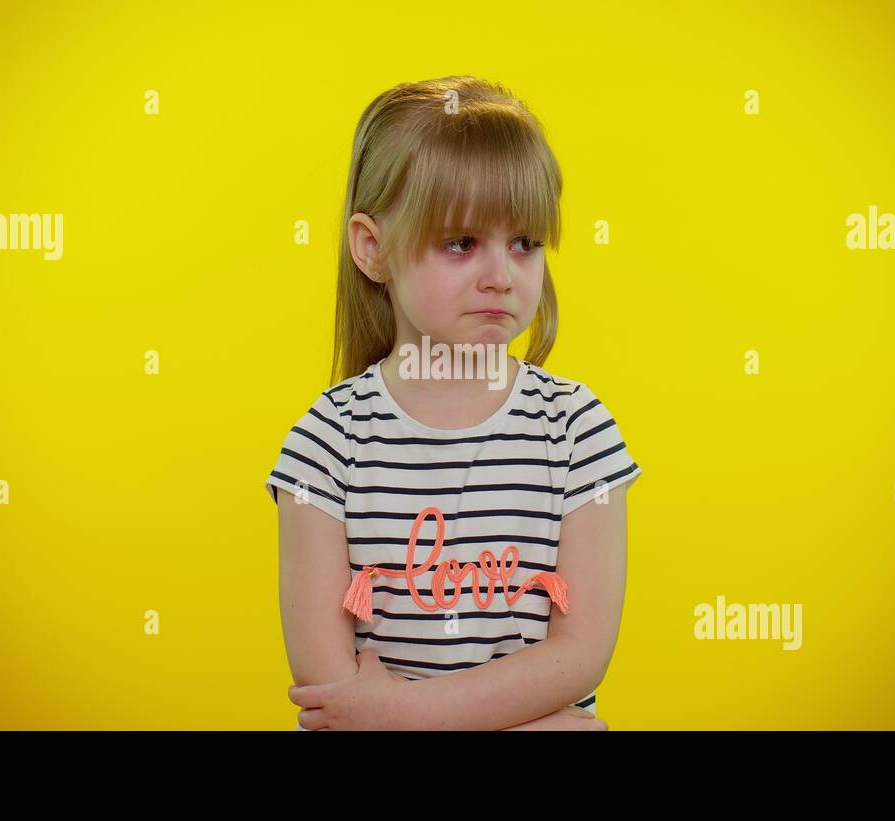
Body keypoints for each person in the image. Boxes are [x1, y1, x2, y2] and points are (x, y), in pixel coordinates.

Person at [267, 76, 640, 730]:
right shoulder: (325, 444)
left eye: (524, 242)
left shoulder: (579, 432)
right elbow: (332, 696)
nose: (501, 273)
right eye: (461, 243)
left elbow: (580, 654)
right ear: (372, 247)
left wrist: (410, 712)